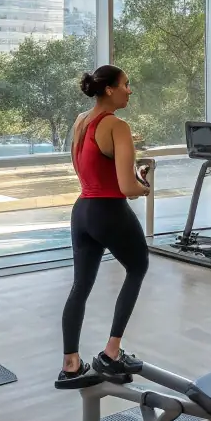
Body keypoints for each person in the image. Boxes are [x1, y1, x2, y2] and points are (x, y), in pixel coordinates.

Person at [57, 65, 152, 389]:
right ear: (110, 89)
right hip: (109, 210)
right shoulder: (118, 126)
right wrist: (144, 187)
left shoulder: (82, 121)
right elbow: (127, 187)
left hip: (82, 210)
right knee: (138, 268)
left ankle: (71, 365)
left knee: (80, 286)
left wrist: (124, 178)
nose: (130, 90)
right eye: (126, 84)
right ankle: (112, 353)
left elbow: (87, 168)